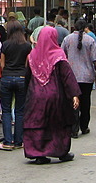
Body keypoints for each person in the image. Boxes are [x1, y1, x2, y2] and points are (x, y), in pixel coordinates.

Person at [23, 26, 81, 164]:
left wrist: (26, 96)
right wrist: (74, 94)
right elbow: (67, 76)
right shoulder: (58, 55)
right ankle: (61, 152)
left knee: (37, 123)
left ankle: (38, 154)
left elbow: (27, 77)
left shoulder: (32, 55)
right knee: (59, 123)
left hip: (35, 95)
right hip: (55, 95)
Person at [0, 20, 31, 151]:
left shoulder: (5, 45)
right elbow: (28, 65)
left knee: (6, 111)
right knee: (20, 111)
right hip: (21, 78)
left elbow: (2, 65)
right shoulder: (27, 46)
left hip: (7, 78)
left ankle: (8, 141)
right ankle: (19, 141)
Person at [61, 19, 96, 138]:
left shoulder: (67, 39)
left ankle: (74, 128)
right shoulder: (90, 40)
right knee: (85, 102)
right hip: (87, 76)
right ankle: (84, 126)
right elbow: (95, 59)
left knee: (73, 102)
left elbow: (62, 55)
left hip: (71, 76)